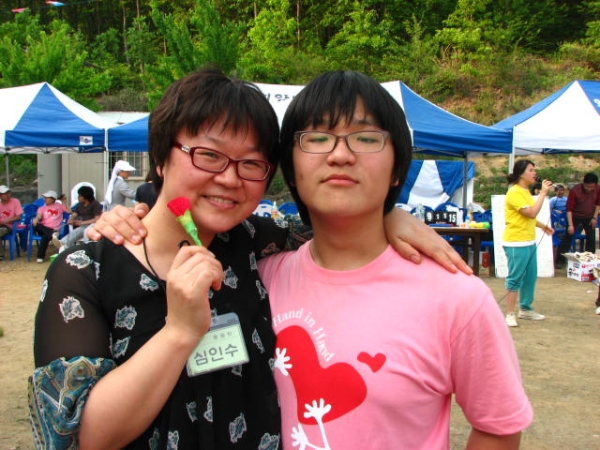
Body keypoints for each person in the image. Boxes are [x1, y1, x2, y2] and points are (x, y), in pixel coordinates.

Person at [29, 68, 468, 449]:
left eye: (252, 164)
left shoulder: (256, 244)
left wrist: (389, 215)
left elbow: (340, 225)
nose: (229, 178)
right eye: (209, 155)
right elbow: (80, 436)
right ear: (161, 157)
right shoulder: (85, 271)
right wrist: (180, 331)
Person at [257, 71, 532, 449]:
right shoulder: (261, 279)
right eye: (317, 138)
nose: (340, 154)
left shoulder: (457, 298)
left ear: (397, 170)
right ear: (290, 168)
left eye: (366, 138)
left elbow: (498, 426)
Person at [503, 160, 554, 327]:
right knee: (515, 278)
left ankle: (525, 308)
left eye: (534, 170)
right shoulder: (514, 192)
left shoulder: (525, 191)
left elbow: (526, 217)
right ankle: (510, 313)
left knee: (530, 277)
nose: (534, 173)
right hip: (516, 242)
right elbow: (531, 213)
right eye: (531, 170)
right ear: (521, 173)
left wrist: (542, 226)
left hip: (529, 240)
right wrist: (543, 194)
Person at [556, 173, 600, 269]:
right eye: (587, 186)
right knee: (568, 236)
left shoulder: (597, 189)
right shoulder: (575, 191)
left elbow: (598, 204)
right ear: (583, 183)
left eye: (592, 187)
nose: (589, 189)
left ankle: (589, 260)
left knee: (591, 238)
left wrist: (594, 218)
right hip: (575, 216)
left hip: (589, 216)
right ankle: (560, 260)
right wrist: (570, 225)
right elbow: (569, 209)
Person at [52, 185, 103, 251]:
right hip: (82, 225)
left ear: (86, 197)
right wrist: (71, 219)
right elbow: (75, 214)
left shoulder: (95, 204)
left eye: (80, 196)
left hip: (93, 226)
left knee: (83, 231)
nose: (78, 198)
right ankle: (63, 244)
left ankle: (66, 244)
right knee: (77, 231)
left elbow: (97, 219)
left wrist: (82, 222)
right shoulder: (80, 204)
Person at [31, 190, 71, 263]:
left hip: (54, 229)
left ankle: (40, 257)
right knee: (35, 223)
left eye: (47, 198)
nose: (45, 199)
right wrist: (36, 219)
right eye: (44, 197)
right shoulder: (42, 208)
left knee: (45, 237)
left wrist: (65, 202)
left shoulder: (59, 206)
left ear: (53, 199)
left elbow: (70, 212)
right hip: (44, 229)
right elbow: (39, 216)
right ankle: (52, 234)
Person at [0, 185, 24, 260]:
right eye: (5, 193)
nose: (7, 195)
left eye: (8, 193)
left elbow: (18, 217)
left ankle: (0, 255)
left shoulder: (15, 201)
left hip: (9, 226)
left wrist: (6, 220)